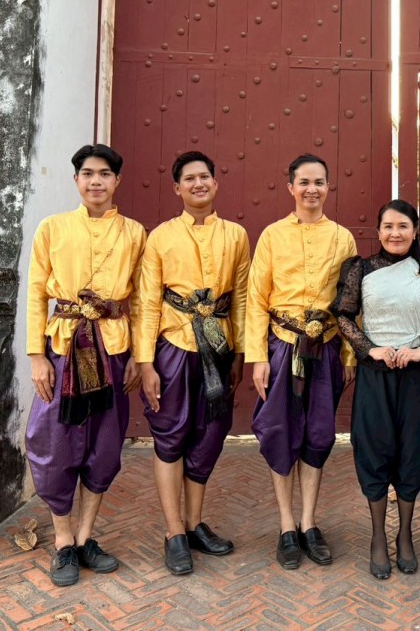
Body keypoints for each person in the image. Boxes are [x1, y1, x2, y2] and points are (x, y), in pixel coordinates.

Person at [25, 144, 146, 587]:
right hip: (64, 349)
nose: (97, 181)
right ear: (76, 179)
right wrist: (36, 355)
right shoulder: (52, 228)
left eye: (105, 174)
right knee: (54, 440)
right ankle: (62, 540)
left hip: (112, 350)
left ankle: (85, 537)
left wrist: (139, 356)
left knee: (105, 443)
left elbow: (140, 299)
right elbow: (36, 291)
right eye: (88, 173)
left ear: (117, 181)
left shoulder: (135, 233)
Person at [332, 200, 420, 579]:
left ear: (415, 230)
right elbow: (343, 314)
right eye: (388, 226)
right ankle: (378, 537)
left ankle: (405, 535)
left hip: (414, 377)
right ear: (378, 231)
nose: (395, 233)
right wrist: (368, 348)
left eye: (403, 226)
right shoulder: (360, 270)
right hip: (374, 376)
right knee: (373, 451)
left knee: (412, 453)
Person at [134, 150, 250, 575]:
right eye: (189, 179)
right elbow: (147, 302)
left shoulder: (236, 235)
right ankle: (173, 533)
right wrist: (145, 362)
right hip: (173, 347)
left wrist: (240, 352)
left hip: (218, 348)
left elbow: (241, 296)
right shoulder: (160, 237)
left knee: (209, 435)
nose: (198, 184)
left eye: (205, 177)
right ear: (177, 188)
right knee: (170, 435)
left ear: (215, 183)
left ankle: (194, 523)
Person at [247, 154, 358, 569]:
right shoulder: (272, 236)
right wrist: (258, 357)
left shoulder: (342, 239)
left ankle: (310, 522)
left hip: (325, 347)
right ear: (291, 187)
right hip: (282, 346)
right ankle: (286, 526)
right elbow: (256, 298)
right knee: (280, 432)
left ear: (328, 187)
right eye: (304, 182)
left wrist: (349, 352)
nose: (312, 189)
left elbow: (351, 302)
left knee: (318, 434)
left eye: (319, 182)